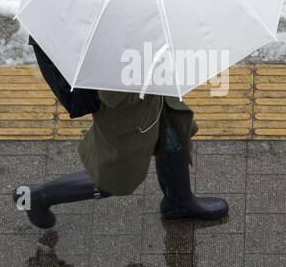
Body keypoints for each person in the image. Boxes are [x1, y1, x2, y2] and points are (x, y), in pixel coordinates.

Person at [16, 90, 228, 228]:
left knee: (173, 136)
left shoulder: (137, 29)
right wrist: (151, 77)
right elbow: (113, 97)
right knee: (114, 179)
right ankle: (38, 197)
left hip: (154, 105)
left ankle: (179, 202)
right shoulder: (114, 45)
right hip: (129, 121)